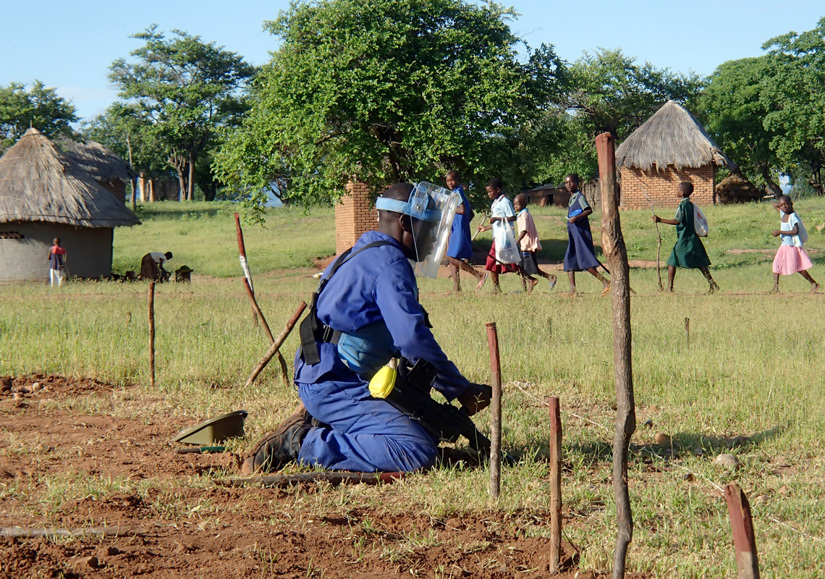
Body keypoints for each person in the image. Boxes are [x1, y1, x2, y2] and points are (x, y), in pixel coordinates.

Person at [242, 183, 491, 475]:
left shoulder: (361, 251)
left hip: (324, 373)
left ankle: (324, 421)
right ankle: (302, 443)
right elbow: (412, 339)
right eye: (430, 226)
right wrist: (460, 389)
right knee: (416, 450)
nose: (436, 236)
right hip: (336, 382)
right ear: (404, 222)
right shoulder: (391, 264)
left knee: (428, 429)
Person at [652, 182, 719, 293]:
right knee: (700, 263)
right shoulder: (691, 205)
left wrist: (660, 220)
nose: (676, 191)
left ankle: (670, 288)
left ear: (682, 193)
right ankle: (713, 284)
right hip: (692, 238)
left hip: (685, 238)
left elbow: (677, 221)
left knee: (672, 261)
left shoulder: (682, 206)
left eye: (677, 189)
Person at [563, 174, 610, 295]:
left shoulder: (579, 197)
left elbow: (588, 210)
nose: (568, 184)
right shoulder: (572, 198)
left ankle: (605, 281)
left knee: (585, 261)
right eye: (566, 182)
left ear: (577, 183)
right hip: (573, 235)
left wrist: (576, 218)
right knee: (569, 260)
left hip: (580, 234)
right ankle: (573, 290)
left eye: (571, 182)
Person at [444, 170, 486, 292]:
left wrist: (449, 209)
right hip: (457, 228)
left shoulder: (457, 193)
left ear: (457, 180)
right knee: (452, 257)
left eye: (452, 180)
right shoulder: (456, 193)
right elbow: (470, 213)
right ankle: (457, 288)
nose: (450, 183)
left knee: (452, 258)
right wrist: (461, 224)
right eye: (448, 181)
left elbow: (462, 210)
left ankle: (478, 274)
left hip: (458, 230)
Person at [476, 178, 520, 293]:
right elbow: (497, 223)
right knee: (499, 261)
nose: (489, 194)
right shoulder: (496, 202)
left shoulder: (505, 202)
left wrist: (497, 218)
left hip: (504, 237)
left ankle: (528, 278)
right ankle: (496, 288)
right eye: (487, 192)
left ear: (498, 190)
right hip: (498, 236)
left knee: (494, 260)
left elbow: (513, 217)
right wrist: (486, 228)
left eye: (490, 191)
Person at [771, 195, 818, 293]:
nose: (784, 206)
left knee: (798, 268)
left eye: (786, 204)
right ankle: (776, 288)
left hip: (792, 246)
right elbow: (774, 205)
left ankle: (814, 283)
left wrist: (780, 232)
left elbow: (795, 231)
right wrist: (778, 205)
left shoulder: (792, 216)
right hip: (784, 246)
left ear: (791, 204)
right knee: (776, 264)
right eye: (782, 205)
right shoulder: (783, 214)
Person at [513, 194, 557, 293]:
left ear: (525, 204)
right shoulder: (522, 214)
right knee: (520, 267)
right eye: (514, 205)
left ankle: (550, 277)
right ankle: (524, 289)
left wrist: (516, 241)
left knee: (531, 268)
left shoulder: (524, 215)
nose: (515, 207)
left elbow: (524, 231)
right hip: (524, 245)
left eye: (518, 204)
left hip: (528, 246)